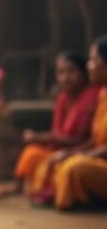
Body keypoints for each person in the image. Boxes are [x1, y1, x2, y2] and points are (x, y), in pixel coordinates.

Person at [14, 50, 99, 195]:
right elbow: (57, 133)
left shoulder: (93, 98)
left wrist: (42, 137)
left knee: (65, 165)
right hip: (61, 149)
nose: (65, 78)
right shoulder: (63, 98)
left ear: (84, 73)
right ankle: (26, 189)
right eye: (61, 72)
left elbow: (86, 139)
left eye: (71, 71)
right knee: (32, 153)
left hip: (84, 151)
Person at [44, 37, 107, 210]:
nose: (90, 66)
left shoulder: (93, 97)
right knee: (64, 163)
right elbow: (95, 140)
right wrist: (71, 153)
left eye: (94, 61)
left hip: (99, 161)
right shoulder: (103, 96)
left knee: (74, 167)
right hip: (98, 159)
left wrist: (83, 155)